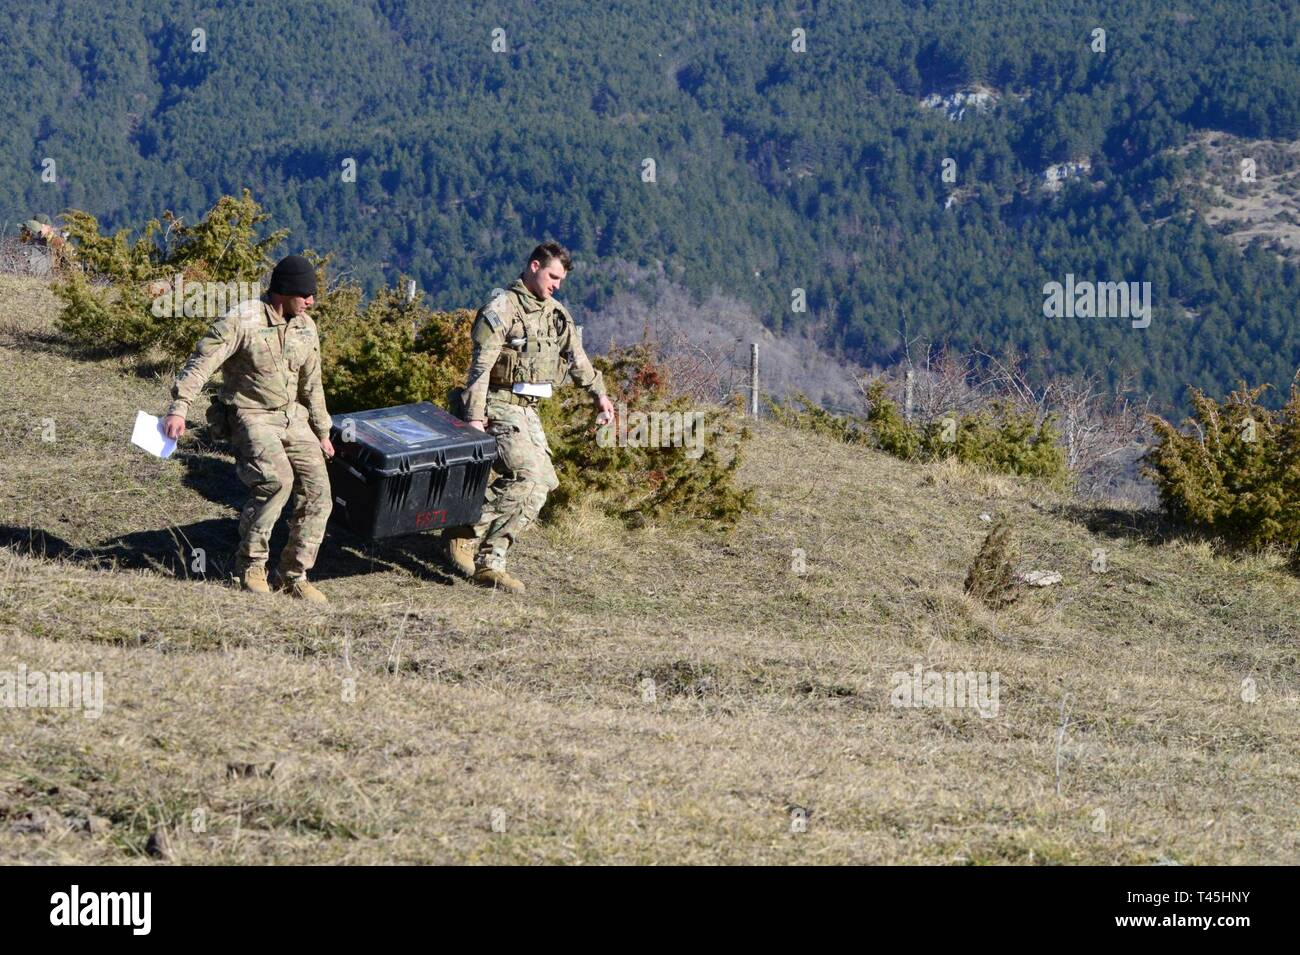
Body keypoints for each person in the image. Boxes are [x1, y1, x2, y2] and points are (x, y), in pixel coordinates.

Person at [161, 255, 335, 604]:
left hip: (293, 417)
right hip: (250, 415)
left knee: (320, 493)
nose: (311, 301)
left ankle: (293, 574)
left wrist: (322, 431)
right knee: (276, 482)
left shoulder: (306, 326)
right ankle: (251, 565)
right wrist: (179, 409)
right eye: (304, 294)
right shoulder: (242, 320)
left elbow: (311, 384)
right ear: (283, 292)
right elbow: (202, 362)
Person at [445, 241, 614, 593]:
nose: (557, 284)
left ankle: (479, 544)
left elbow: (577, 357)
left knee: (544, 485)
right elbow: (480, 369)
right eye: (553, 276)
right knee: (527, 477)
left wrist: (600, 395)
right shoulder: (502, 307)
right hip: (498, 405)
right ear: (534, 266)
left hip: (529, 410)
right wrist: (475, 419)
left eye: (561, 279)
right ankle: (476, 545)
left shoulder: (555, 313)